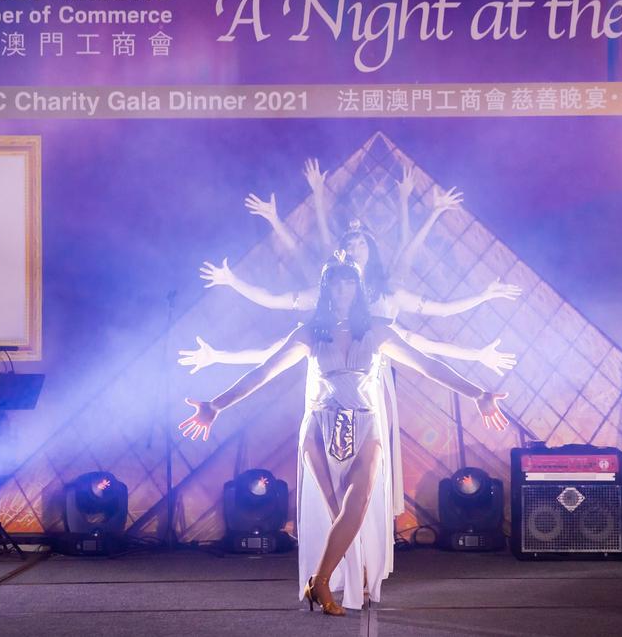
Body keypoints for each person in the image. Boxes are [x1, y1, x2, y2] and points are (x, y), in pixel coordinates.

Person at [181, 255, 508, 615]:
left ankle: (320, 581)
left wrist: (477, 393)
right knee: (337, 510)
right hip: (320, 427)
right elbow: (264, 372)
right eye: (335, 282)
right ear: (326, 289)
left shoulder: (377, 332)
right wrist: (216, 405)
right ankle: (337, 580)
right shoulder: (310, 333)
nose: (342, 288)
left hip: (366, 424)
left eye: (349, 281)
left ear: (358, 288)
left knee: (358, 503)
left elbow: (427, 365)